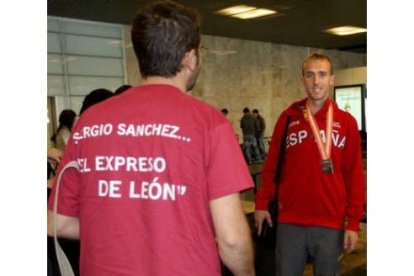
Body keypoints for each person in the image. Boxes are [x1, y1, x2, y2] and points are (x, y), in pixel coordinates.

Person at [47, 1, 255, 276]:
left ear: (141, 54)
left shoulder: (89, 123)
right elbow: (231, 240)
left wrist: (125, 232)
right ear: (191, 58)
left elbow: (56, 223)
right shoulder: (209, 123)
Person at [254, 53, 365, 275]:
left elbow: (354, 175)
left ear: (331, 79)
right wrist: (262, 203)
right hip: (290, 221)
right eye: (310, 75)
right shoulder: (288, 118)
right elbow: (272, 165)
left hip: (330, 222)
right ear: (303, 79)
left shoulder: (346, 123)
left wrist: (353, 222)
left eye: (322, 75)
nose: (316, 82)